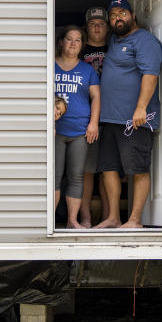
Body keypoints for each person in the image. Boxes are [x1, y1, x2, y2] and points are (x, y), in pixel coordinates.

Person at [93, 0, 162, 229]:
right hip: (110, 118)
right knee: (108, 168)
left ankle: (134, 220)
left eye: (122, 13)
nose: (117, 18)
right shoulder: (114, 40)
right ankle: (114, 217)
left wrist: (141, 107)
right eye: (113, 16)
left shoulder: (145, 41)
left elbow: (150, 75)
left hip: (134, 120)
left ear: (133, 15)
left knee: (137, 169)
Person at [53, 26, 100, 229]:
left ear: (82, 45)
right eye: (69, 39)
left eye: (78, 40)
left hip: (80, 130)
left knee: (76, 176)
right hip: (54, 130)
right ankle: (50, 220)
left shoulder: (87, 69)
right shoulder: (48, 66)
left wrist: (93, 123)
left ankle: (72, 220)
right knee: (53, 176)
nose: (73, 43)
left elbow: (96, 97)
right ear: (61, 42)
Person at [79, 6, 110, 227]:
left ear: (107, 27)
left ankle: (111, 217)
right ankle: (85, 216)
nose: (97, 27)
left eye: (100, 23)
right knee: (87, 170)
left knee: (109, 169)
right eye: (92, 24)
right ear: (86, 27)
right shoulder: (79, 51)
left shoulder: (116, 47)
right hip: (85, 116)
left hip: (112, 115)